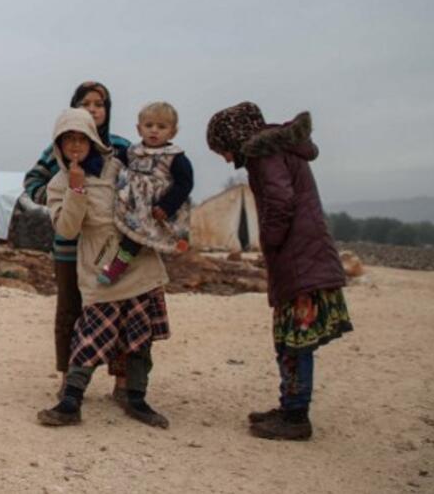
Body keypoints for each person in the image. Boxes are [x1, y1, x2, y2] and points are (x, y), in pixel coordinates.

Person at [207, 102, 353, 441]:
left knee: (294, 340)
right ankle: (290, 405)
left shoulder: (264, 154)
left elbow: (280, 201)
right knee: (291, 339)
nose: (227, 159)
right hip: (305, 256)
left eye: (223, 150)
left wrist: (269, 241)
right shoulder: (280, 149)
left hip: (298, 260)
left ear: (234, 138)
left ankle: (295, 415)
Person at [36, 108, 171, 429]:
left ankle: (137, 399)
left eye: (81, 138)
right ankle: (70, 402)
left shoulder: (118, 166)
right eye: (68, 139)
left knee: (140, 338)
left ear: (93, 139)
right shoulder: (58, 183)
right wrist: (76, 189)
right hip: (101, 268)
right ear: (59, 145)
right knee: (89, 336)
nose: (75, 145)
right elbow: (67, 230)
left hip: (138, 263)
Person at [23, 81, 132, 399]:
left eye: (100, 104)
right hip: (70, 247)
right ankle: (69, 378)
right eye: (86, 104)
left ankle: (123, 380)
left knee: (121, 308)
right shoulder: (58, 148)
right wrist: (60, 200)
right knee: (70, 310)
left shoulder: (122, 148)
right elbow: (32, 180)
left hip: (110, 248)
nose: (94, 110)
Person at [98, 101, 193, 286]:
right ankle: (116, 261)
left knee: (136, 238)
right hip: (132, 204)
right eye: (149, 125)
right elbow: (114, 163)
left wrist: (167, 206)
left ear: (172, 132)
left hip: (155, 209)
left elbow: (184, 184)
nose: (154, 130)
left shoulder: (175, 157)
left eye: (161, 126)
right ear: (139, 129)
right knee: (122, 232)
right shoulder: (132, 151)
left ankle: (117, 267)